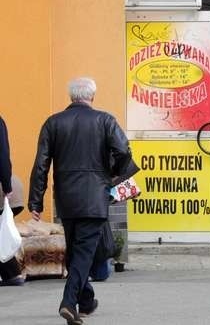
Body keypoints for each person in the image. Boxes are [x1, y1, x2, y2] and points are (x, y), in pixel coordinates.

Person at [28, 77, 135, 325]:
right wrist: (113, 174)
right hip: (95, 197)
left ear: (71, 97)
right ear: (92, 96)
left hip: (66, 199)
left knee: (77, 251)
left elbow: (41, 165)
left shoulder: (53, 123)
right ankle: (68, 302)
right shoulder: (105, 120)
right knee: (84, 253)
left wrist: (36, 202)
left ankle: (86, 301)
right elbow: (123, 151)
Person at [0, 115, 24, 287]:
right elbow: (3, 154)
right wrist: (7, 186)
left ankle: (12, 274)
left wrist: (7, 186)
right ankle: (12, 274)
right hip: (9, 186)